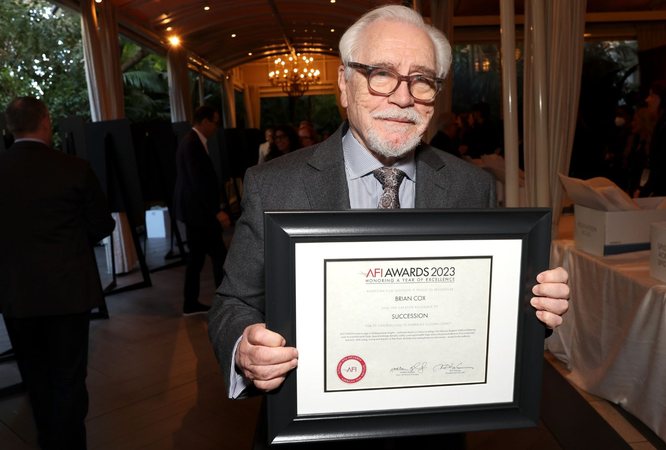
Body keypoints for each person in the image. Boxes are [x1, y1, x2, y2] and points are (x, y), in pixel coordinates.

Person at [208, 4, 569, 447]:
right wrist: (245, 347)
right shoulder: (274, 184)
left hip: (431, 431)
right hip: (310, 428)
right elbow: (233, 302)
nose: (402, 98)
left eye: (422, 80)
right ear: (344, 84)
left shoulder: (469, 187)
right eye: (381, 73)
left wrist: (533, 310)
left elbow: (479, 310)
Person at [0, 96, 115, 449]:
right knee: (68, 378)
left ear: (9, 127)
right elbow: (101, 225)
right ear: (46, 121)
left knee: (36, 378)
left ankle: (48, 439)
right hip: (67, 292)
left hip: (16, 294)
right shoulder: (74, 168)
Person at [173, 105, 230, 315]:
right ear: (205, 121)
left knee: (198, 259)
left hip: (196, 213)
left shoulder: (193, 141)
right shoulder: (192, 143)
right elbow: (198, 183)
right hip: (199, 214)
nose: (216, 127)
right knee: (218, 257)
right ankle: (223, 304)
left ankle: (191, 303)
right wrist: (216, 211)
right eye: (215, 122)